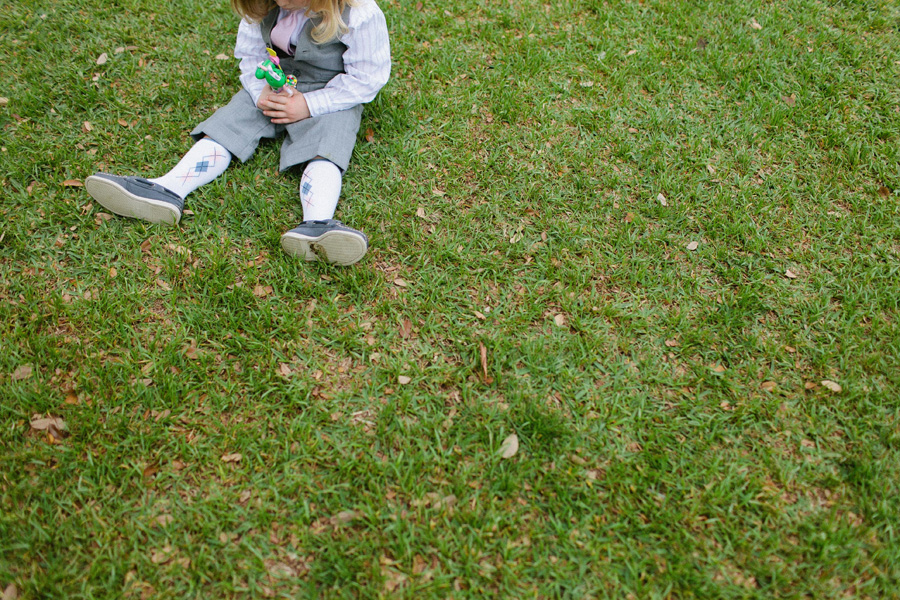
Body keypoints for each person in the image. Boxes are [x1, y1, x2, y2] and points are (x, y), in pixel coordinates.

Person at [85, 0, 390, 266]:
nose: (279, 1)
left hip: (332, 91)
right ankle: (168, 189)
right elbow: (251, 54)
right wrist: (260, 93)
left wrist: (310, 104)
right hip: (276, 82)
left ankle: (316, 224)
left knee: (327, 143)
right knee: (230, 123)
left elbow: (367, 78)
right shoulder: (265, 4)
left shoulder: (360, 13)